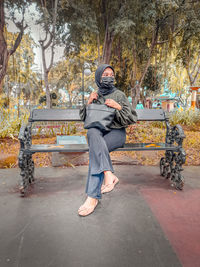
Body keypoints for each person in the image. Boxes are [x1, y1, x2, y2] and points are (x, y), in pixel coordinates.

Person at [78, 64, 137, 216]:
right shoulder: (95, 94)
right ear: (98, 77)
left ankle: (92, 197)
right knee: (92, 132)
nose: (108, 77)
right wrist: (89, 102)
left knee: (95, 151)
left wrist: (118, 107)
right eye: (105, 75)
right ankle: (108, 173)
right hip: (99, 132)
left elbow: (131, 118)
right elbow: (84, 118)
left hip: (117, 133)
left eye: (111, 75)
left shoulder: (119, 95)